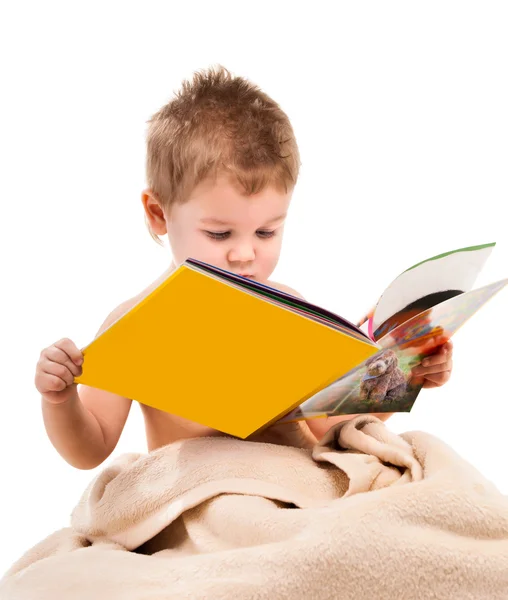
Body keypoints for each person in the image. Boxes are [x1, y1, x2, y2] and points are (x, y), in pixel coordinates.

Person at [34, 66, 453, 469]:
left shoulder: (291, 311)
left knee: (421, 469)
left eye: (266, 233)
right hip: (201, 498)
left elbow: (330, 426)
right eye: (219, 235)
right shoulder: (133, 324)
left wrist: (405, 379)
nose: (244, 255)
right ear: (159, 214)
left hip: (294, 490)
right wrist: (60, 399)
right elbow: (89, 449)